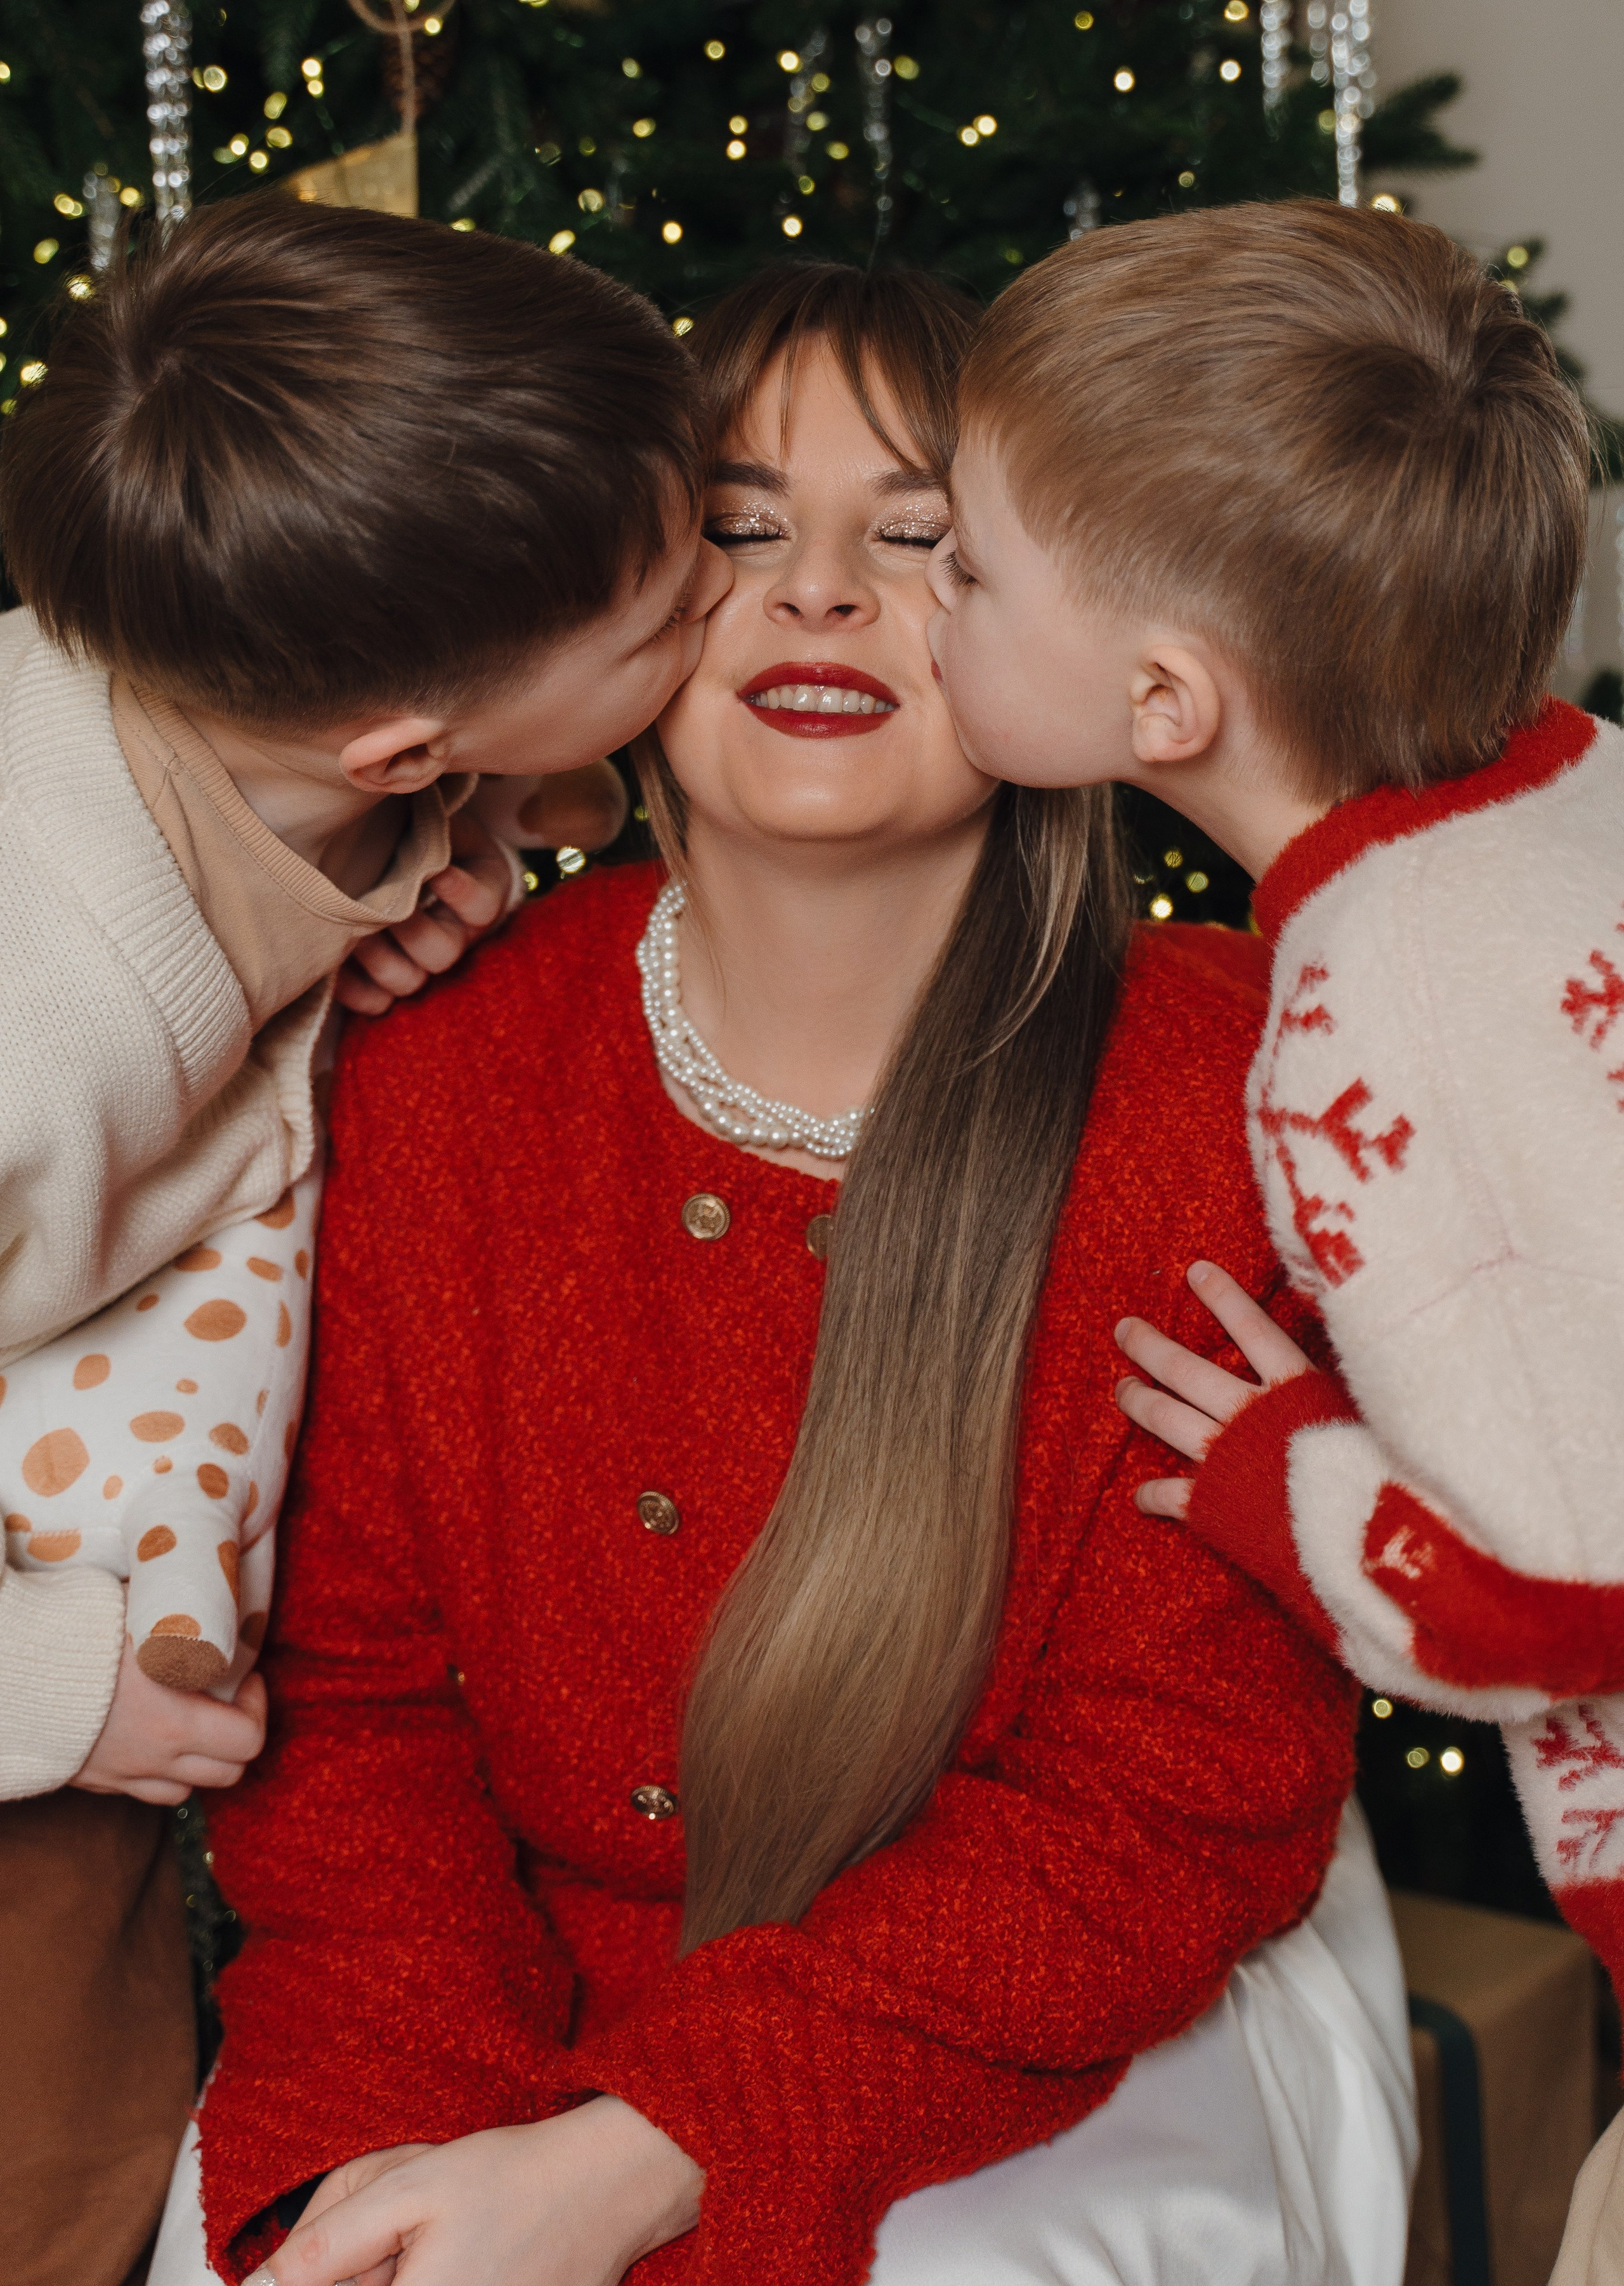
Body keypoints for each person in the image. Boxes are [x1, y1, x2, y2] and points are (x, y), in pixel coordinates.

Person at [160, 261, 1415, 2286]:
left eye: (917, 540)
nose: (819, 592)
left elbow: (1168, 1804)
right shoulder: (426, 1067)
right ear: (611, 610)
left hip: (1049, 2026)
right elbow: (360, 1719)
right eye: (739, 532)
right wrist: (395, 2152)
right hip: (477, 1997)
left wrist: (649, 2157)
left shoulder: (1248, 1089)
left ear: (1066, 625)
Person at [0, 192, 722, 2286]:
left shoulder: (277, 697)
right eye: (676, 607)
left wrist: (468, 843)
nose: (730, 617)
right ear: (390, 741)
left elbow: (479, 784)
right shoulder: (34, 1012)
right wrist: (44, 1691)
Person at [924, 198, 1624, 2268]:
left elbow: (1541, 1599)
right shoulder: (1570, 788)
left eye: (962, 566)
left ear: (1161, 704)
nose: (923, 607)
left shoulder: (1358, 1009)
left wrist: (1271, 1468)